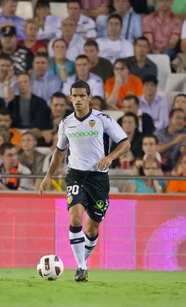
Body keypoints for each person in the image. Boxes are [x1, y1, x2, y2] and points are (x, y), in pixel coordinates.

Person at [39, 79, 131, 282]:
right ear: (70, 98)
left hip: (99, 178)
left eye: (82, 96)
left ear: (89, 97)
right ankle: (81, 266)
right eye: (75, 96)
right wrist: (48, 176)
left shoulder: (102, 119)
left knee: (92, 228)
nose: (78, 100)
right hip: (76, 175)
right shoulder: (66, 123)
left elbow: (125, 142)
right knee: (75, 218)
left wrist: (110, 158)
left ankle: (83, 263)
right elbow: (59, 153)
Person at [7, 72, 52, 136]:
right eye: (20, 82)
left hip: (35, 132)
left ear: (30, 84)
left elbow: (45, 120)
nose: (23, 84)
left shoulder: (40, 102)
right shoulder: (12, 103)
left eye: (25, 81)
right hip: (16, 132)